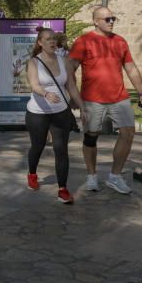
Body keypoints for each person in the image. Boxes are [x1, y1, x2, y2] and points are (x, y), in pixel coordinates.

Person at [69, 7, 142, 194]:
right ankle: (92, 176)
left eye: (113, 18)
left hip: (119, 97)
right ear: (95, 21)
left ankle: (115, 176)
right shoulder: (83, 41)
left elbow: (131, 68)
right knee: (91, 136)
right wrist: (74, 96)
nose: (111, 21)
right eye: (107, 19)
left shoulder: (120, 41)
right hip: (92, 99)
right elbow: (69, 69)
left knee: (128, 133)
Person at [26, 27, 85, 204]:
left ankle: (62, 189)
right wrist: (45, 93)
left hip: (60, 112)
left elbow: (71, 87)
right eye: (47, 39)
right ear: (40, 43)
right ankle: (32, 174)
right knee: (38, 145)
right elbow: (34, 85)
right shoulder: (33, 62)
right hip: (38, 112)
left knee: (61, 149)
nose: (52, 41)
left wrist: (82, 107)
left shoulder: (64, 61)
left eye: (54, 39)